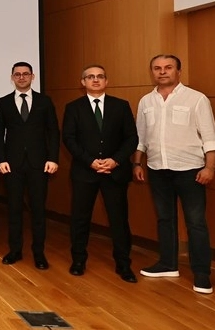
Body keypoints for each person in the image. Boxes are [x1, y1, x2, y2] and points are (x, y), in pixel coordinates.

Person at [134, 54, 215, 294]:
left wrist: (210, 167)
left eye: (168, 67)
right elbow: (141, 138)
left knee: (196, 222)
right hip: (157, 169)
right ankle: (168, 264)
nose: (162, 72)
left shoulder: (196, 99)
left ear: (178, 71)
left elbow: (210, 137)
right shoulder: (146, 101)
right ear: (152, 72)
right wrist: (137, 163)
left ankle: (202, 273)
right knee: (164, 219)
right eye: (157, 68)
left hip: (191, 170)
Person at [62, 65, 138, 283]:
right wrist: (90, 161)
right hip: (85, 172)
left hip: (115, 172)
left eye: (100, 76)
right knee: (80, 219)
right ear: (83, 82)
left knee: (119, 220)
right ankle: (78, 261)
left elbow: (131, 138)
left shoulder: (121, 106)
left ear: (106, 81)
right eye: (90, 77)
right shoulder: (73, 107)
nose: (95, 80)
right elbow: (69, 138)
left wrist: (115, 160)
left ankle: (124, 264)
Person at [0, 62, 59, 270]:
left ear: (32, 76)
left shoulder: (44, 101)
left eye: (25, 74)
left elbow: (53, 132)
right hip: (11, 165)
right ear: (12, 77)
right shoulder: (3, 102)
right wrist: (1, 159)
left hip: (39, 164)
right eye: (17, 74)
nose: (21, 77)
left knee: (38, 210)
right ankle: (15, 250)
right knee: (14, 210)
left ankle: (39, 253)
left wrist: (53, 158)